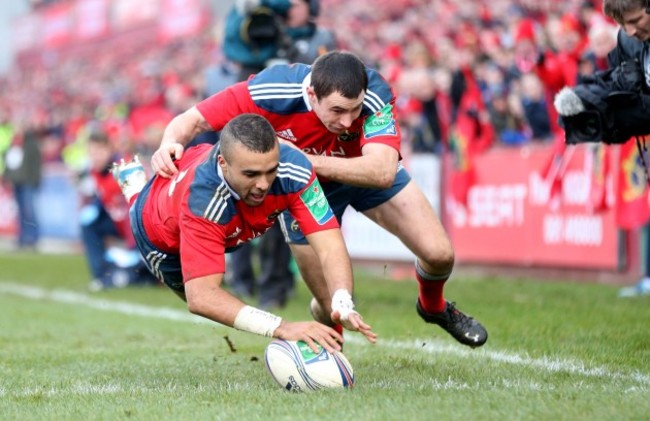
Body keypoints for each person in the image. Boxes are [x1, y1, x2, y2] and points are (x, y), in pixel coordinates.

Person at [151, 51, 488, 348]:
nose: (347, 122)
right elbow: (192, 119)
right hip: (300, 192)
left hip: (362, 174)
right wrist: (168, 143)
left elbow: (383, 171)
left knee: (440, 255)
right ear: (311, 93)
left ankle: (433, 307)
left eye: (354, 111)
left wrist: (302, 160)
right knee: (333, 306)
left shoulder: (375, 93)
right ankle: (327, 348)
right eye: (338, 110)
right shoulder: (270, 90)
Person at [113, 113, 376, 352]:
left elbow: (330, 244)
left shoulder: (292, 168)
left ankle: (335, 350)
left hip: (210, 189)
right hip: (161, 238)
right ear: (224, 164)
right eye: (251, 174)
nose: (263, 184)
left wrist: (342, 300)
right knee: (202, 295)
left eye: (270, 171)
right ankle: (136, 192)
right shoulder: (204, 204)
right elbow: (202, 298)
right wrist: (283, 327)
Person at [224, 0, 337, 310]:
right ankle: (242, 278)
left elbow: (326, 81)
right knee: (239, 206)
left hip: (301, 140)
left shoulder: (321, 37)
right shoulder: (260, 32)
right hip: (255, 134)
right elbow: (236, 56)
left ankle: (274, 286)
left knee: (281, 213)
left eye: (295, 3)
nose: (288, 9)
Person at [79, 130, 158, 291]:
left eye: (99, 151)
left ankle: (141, 274)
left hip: (142, 228)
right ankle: (101, 275)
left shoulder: (126, 170)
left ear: (109, 149)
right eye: (91, 153)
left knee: (140, 271)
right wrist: (95, 206)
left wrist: (133, 247)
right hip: (118, 223)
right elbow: (105, 197)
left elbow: (140, 208)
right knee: (88, 226)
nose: (95, 157)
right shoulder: (95, 172)